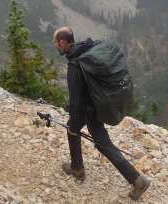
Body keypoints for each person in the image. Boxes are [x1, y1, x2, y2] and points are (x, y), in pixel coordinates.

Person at [52, 26, 151, 200]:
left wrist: (74, 123)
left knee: (78, 132)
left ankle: (78, 169)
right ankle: (135, 180)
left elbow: (75, 101)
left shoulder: (75, 65)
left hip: (90, 109)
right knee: (101, 143)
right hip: (98, 104)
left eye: (55, 43)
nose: (55, 46)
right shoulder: (88, 49)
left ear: (62, 42)